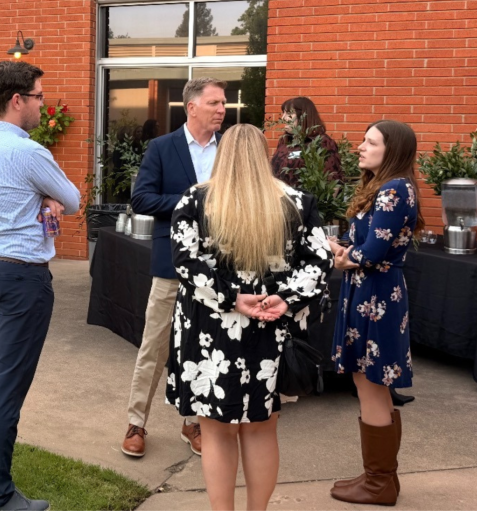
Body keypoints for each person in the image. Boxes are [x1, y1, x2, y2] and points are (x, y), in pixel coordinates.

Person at [167, 124, 333, 511]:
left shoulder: (194, 201)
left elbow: (185, 264)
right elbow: (319, 261)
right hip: (271, 330)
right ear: (266, 157)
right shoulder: (296, 202)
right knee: (261, 429)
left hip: (210, 332)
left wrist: (230, 297)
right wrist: (285, 299)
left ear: (222, 154)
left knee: (217, 431)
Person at [0, 61, 80, 511]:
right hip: (21, 276)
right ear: (17, 101)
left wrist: (41, 196)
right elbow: (72, 198)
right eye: (38, 98)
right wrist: (47, 196)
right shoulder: (28, 152)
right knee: (7, 385)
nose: (42, 106)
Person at [122, 77, 226, 459]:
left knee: (203, 347)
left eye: (223, 103)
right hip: (172, 265)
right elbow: (142, 198)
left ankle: (194, 422)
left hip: (218, 268)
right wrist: (193, 201)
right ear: (192, 106)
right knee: (154, 345)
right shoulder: (161, 148)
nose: (221, 109)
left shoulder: (228, 149)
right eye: (214, 102)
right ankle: (136, 423)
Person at [327, 120, 422, 506]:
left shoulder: (395, 189)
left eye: (371, 142)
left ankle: (378, 481)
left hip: (375, 294)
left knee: (370, 382)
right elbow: (362, 243)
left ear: (392, 150)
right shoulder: (386, 187)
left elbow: (372, 252)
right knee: (371, 383)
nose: (360, 147)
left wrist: (344, 258)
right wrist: (344, 248)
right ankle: (381, 478)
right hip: (370, 290)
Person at [271, 96, 344, 188]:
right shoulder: (285, 141)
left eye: (289, 113)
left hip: (304, 200)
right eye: (283, 113)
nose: (283, 118)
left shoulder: (322, 143)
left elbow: (332, 182)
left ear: (303, 116)